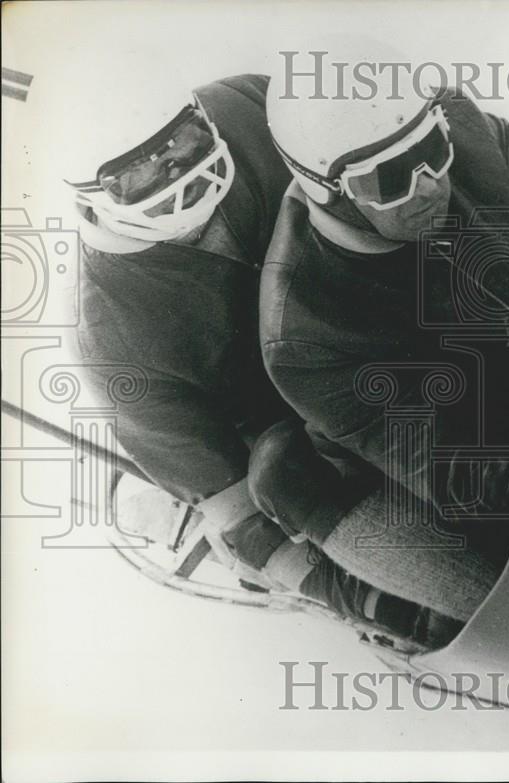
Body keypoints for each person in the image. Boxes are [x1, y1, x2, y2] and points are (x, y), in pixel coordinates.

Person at [62, 70, 459, 648]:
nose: (178, 174)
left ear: (201, 114)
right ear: (92, 199)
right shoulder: (110, 341)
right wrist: (343, 592)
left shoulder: (251, 105)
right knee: (278, 474)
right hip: (324, 438)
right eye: (140, 174)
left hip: (408, 319)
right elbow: (235, 506)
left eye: (183, 142)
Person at [256, 39, 509, 612]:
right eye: (390, 179)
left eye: (432, 149)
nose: (431, 182)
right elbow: (459, 476)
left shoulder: (457, 124)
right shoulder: (307, 338)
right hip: (507, 436)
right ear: (325, 189)